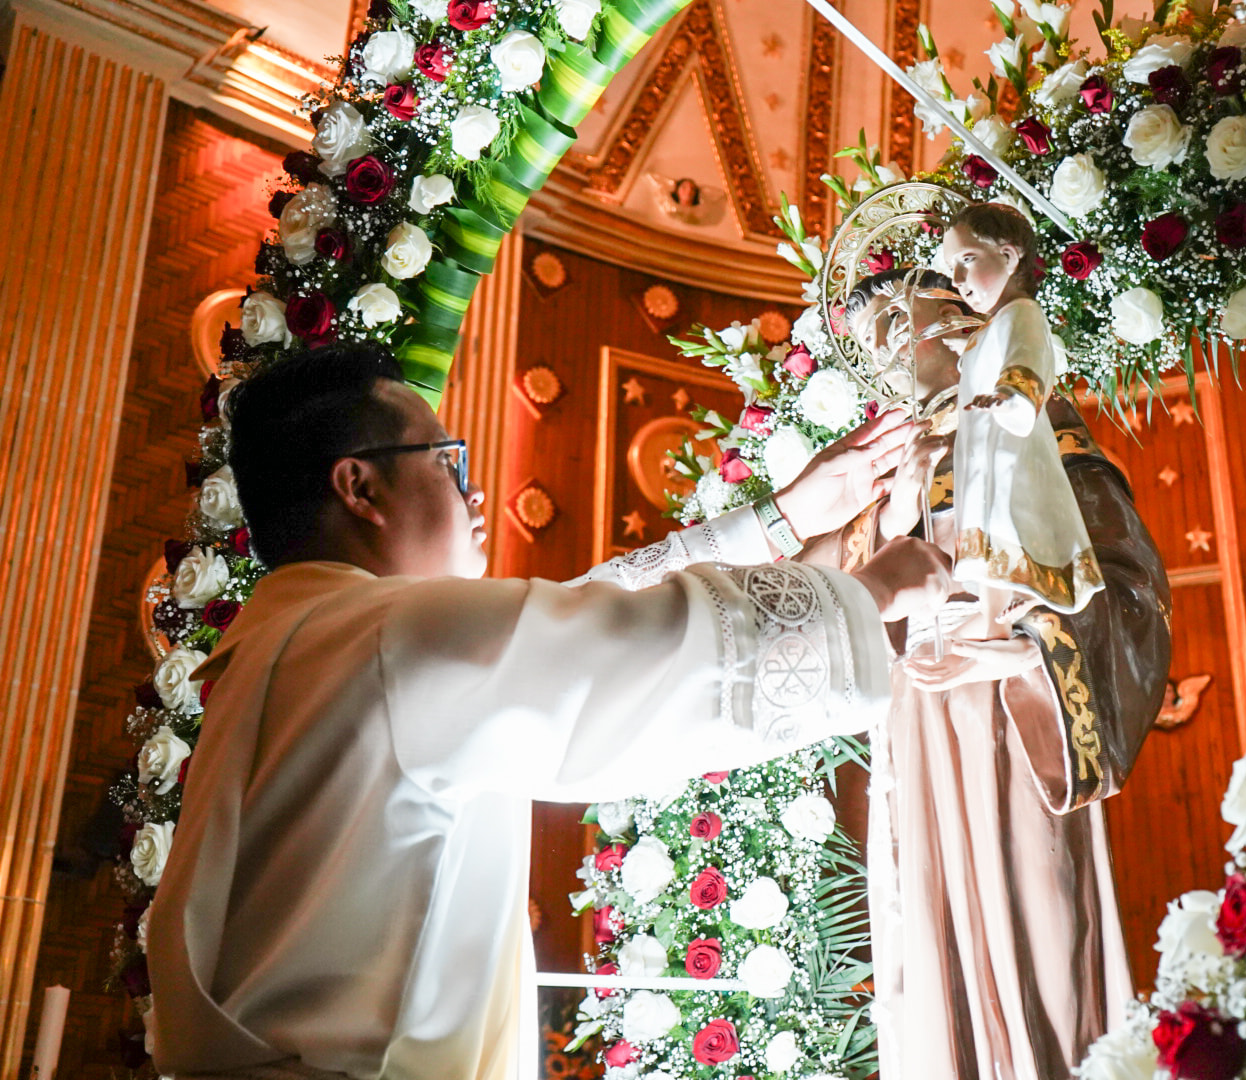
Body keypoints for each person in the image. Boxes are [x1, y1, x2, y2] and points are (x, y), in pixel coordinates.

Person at [145, 344, 952, 1080]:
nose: (477, 490)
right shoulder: (387, 639)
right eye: (449, 462)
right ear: (360, 486)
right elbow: (644, 655)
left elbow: (569, 626)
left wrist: (780, 520)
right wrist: (872, 592)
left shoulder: (294, 642)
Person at [835, 267, 1173, 1080]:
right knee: (934, 923)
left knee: (1040, 920)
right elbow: (850, 603)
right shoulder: (886, 461)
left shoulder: (1031, 423)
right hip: (918, 716)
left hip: (1024, 710)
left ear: (954, 317)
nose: (883, 345)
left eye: (894, 316)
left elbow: (1131, 584)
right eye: (866, 334)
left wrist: (1024, 648)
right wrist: (890, 508)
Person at [943, 202, 1104, 617]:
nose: (958, 280)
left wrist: (1009, 395)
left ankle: (1022, 600)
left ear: (1009, 256)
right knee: (985, 519)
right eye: (952, 267)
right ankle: (993, 613)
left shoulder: (1023, 313)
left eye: (967, 260)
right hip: (986, 446)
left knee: (1014, 513)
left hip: (1011, 445)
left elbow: (1027, 356)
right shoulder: (991, 327)